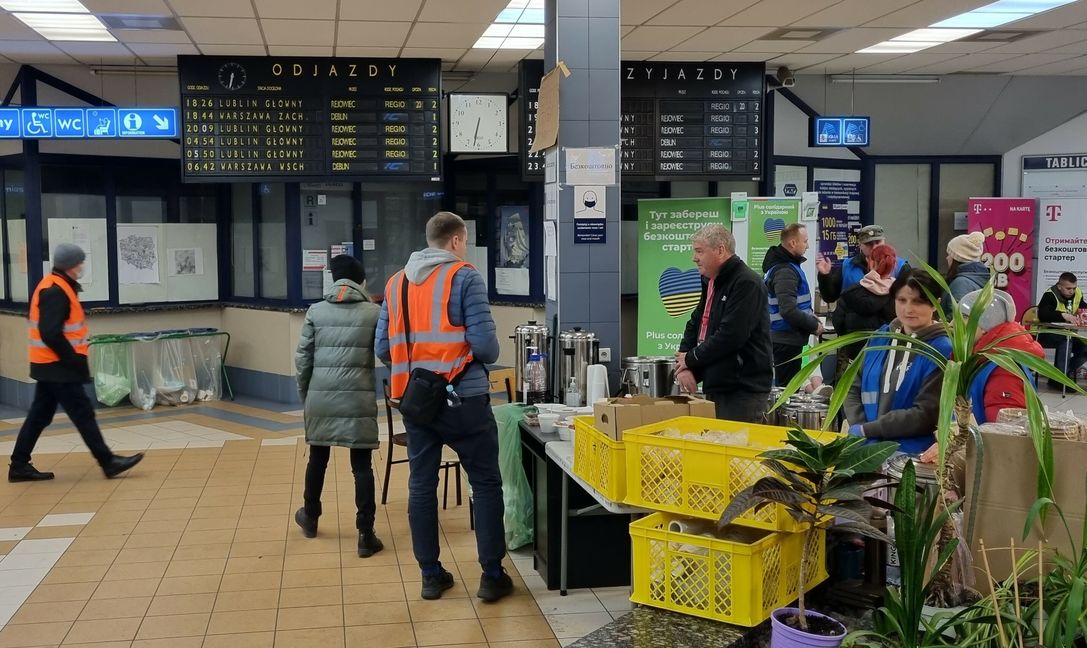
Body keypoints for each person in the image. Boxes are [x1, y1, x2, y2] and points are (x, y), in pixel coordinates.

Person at [375, 211, 512, 603]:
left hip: (416, 403)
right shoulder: (464, 276)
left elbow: (383, 348)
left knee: (421, 486)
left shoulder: (396, 283)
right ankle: (491, 576)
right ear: (456, 240)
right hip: (464, 398)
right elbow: (486, 347)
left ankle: (430, 576)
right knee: (485, 483)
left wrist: (420, 375)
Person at [9, 244, 144, 482]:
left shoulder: (57, 285)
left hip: (49, 366)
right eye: (80, 262)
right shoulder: (55, 290)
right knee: (83, 413)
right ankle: (108, 462)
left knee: (39, 415)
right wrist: (73, 361)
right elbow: (50, 332)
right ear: (71, 265)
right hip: (58, 367)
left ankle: (19, 464)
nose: (82, 266)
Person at [293, 255, 384, 558]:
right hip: (357, 398)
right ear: (360, 282)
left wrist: (307, 397)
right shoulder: (373, 313)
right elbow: (387, 353)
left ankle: (310, 517)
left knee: (317, 458)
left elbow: (303, 359)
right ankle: (365, 534)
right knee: (361, 467)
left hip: (320, 398)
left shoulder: (315, 312)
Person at [919, 289, 1045, 467]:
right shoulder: (978, 359)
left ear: (985, 326)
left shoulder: (1003, 370)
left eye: (963, 317)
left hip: (986, 471)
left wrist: (953, 446)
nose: (952, 323)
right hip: (970, 459)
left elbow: (1006, 436)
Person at [844, 270, 953, 455]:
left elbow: (925, 414)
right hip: (865, 447)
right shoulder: (880, 338)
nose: (908, 309)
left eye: (918, 301)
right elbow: (851, 384)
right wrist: (860, 427)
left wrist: (867, 430)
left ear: (936, 304)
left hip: (910, 455)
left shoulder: (942, 349)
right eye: (901, 300)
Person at [676, 224, 773, 422]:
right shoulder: (711, 280)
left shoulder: (747, 283)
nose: (694, 258)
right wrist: (684, 365)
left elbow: (731, 336)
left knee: (736, 449)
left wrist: (691, 358)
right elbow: (696, 322)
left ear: (720, 250)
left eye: (699, 251)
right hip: (718, 383)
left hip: (742, 389)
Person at [817, 225, 908, 369]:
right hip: (852, 341)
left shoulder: (901, 267)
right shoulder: (848, 266)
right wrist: (825, 276)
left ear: (884, 241)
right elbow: (830, 296)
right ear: (860, 245)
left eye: (877, 243)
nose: (873, 247)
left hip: (888, 340)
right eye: (868, 244)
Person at [762, 223, 823, 386]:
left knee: (788, 388)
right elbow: (788, 310)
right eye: (805, 241)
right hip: (785, 341)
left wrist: (809, 315)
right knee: (787, 391)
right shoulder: (785, 271)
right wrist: (813, 325)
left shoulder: (785, 267)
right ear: (792, 243)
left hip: (785, 339)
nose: (808, 246)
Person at [831, 243, 900, 362]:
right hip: (887, 354)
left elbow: (838, 322)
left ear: (870, 262)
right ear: (894, 265)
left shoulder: (850, 293)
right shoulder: (899, 294)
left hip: (855, 355)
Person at [1037, 272, 1087, 386]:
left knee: (1084, 348)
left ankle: (1059, 375)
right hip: (1047, 334)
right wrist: (1063, 315)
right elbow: (1043, 314)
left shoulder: (1078, 293)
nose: (1072, 291)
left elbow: (1082, 306)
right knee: (1065, 340)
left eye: (1074, 288)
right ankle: (1060, 381)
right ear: (1059, 286)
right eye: (1068, 288)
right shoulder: (1050, 295)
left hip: (1069, 334)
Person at [942, 231, 990, 314]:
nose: (947, 258)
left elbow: (956, 318)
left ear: (958, 258)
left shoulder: (961, 283)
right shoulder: (978, 277)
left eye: (950, 254)